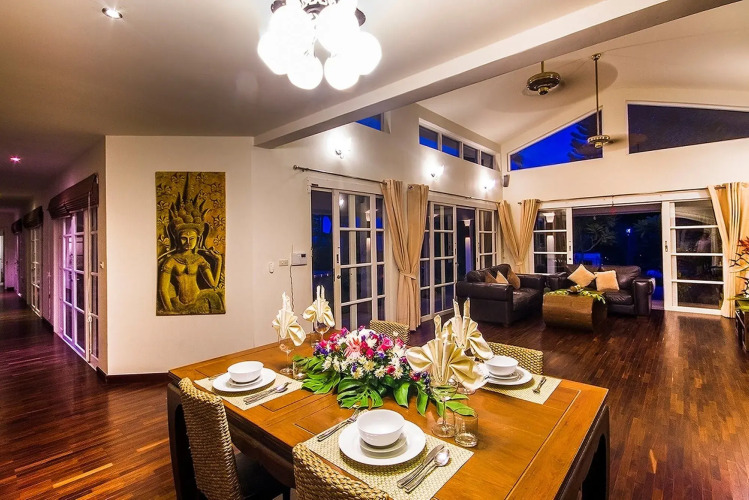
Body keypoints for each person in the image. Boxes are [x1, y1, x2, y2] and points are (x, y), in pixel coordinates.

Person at [158, 202, 224, 315]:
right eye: (184, 238)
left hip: (200, 300)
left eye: (192, 238)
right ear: (178, 239)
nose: (188, 242)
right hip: (178, 304)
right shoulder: (171, 261)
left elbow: (213, 284)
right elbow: (163, 290)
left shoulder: (199, 259)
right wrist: (170, 310)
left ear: (197, 239)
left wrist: (219, 261)